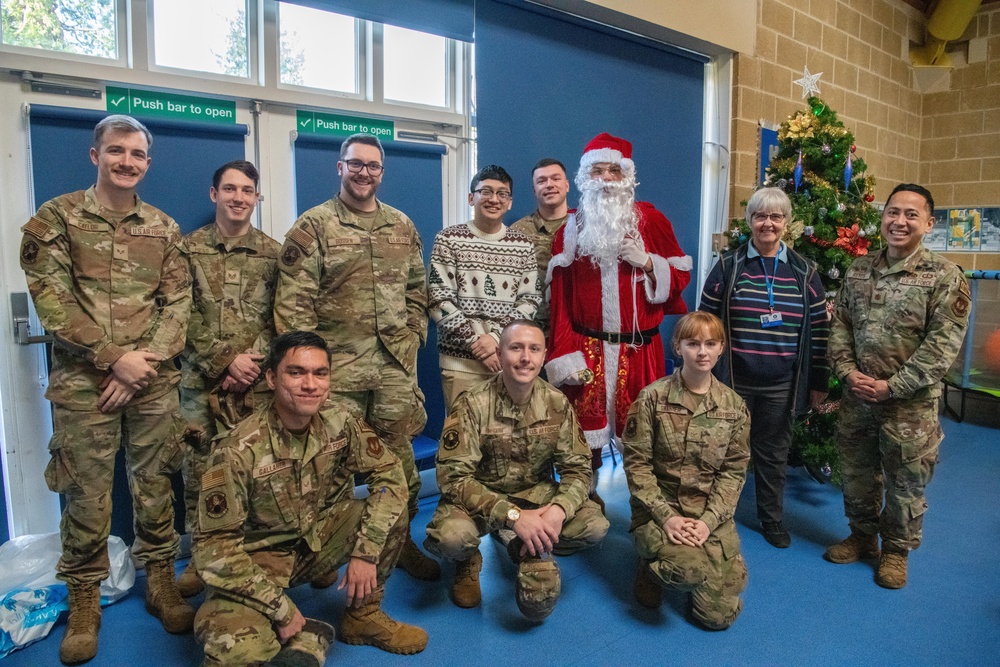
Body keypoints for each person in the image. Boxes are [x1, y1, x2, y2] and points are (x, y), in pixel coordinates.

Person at [18, 114, 194, 664]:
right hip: (83, 384)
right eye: (116, 151)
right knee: (86, 496)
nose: (127, 162)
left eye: (137, 154)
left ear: (147, 162)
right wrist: (115, 360)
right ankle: (85, 600)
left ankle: (161, 582)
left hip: (154, 383)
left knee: (156, 486)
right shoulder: (57, 220)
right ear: (95, 156)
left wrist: (142, 365)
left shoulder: (163, 229)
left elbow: (178, 305)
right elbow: (52, 301)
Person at [192, 331, 428, 665]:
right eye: (296, 372)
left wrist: (366, 551)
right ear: (272, 378)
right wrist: (282, 608)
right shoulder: (237, 451)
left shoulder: (340, 420)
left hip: (315, 542)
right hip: (257, 563)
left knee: (389, 507)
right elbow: (214, 550)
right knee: (237, 653)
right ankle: (309, 639)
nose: (310, 384)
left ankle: (362, 616)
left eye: (320, 373)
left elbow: (389, 476)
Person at [274, 133, 439, 581]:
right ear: (339, 167)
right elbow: (292, 306)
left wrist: (412, 338)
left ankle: (401, 542)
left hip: (391, 368)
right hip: (337, 372)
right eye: (356, 164)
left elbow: (415, 292)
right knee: (331, 462)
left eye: (373, 166)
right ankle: (329, 552)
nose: (364, 172)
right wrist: (309, 370)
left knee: (397, 458)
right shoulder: (314, 226)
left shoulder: (401, 226)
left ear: (382, 172)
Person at [824, 183, 970, 589]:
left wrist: (892, 387)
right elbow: (841, 327)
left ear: (928, 223)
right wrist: (848, 373)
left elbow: (941, 348)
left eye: (910, 214)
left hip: (910, 407)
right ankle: (861, 536)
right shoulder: (859, 270)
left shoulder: (945, 278)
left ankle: (896, 551)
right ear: (882, 216)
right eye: (893, 212)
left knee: (906, 482)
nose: (899, 221)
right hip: (858, 398)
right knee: (856, 472)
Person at [424, 320, 608, 621]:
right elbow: (453, 478)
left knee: (594, 527)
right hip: (482, 497)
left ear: (544, 356)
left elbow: (578, 469)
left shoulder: (556, 403)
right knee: (452, 538)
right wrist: (514, 517)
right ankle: (468, 560)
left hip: (535, 493)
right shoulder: (472, 404)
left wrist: (558, 510)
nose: (525, 357)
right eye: (516, 348)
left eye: (534, 349)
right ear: (500, 353)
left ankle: (526, 544)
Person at [546, 132, 692, 504]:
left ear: (627, 175)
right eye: (598, 170)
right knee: (584, 437)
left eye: (615, 170)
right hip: (587, 347)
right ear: (585, 177)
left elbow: (679, 278)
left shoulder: (652, 221)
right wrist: (563, 352)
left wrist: (647, 262)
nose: (607, 178)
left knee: (643, 434)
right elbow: (560, 302)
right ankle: (582, 500)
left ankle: (648, 504)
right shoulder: (571, 231)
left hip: (640, 350)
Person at [699, 187, 829, 548]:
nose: (767, 223)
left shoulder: (805, 272)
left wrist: (818, 381)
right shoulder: (728, 265)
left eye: (776, 217)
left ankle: (771, 519)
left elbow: (820, 331)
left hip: (781, 385)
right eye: (760, 216)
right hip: (732, 381)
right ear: (750, 221)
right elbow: (704, 324)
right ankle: (714, 519)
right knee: (721, 451)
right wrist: (700, 373)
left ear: (786, 223)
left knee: (772, 454)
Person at [177, 160, 280, 597]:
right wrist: (225, 360)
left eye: (248, 190)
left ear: (257, 197)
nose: (239, 197)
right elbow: (178, 314)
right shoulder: (185, 250)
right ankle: (201, 556)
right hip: (200, 383)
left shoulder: (276, 254)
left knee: (257, 469)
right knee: (200, 470)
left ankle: (255, 552)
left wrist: (251, 362)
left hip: (257, 384)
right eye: (230, 189)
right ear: (213, 194)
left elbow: (285, 316)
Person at [622, 311, 750, 630]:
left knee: (716, 618)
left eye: (710, 343)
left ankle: (705, 560)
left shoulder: (734, 408)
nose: (702, 352)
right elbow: (637, 465)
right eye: (693, 343)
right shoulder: (652, 398)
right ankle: (651, 566)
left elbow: (733, 474)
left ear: (721, 348)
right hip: (659, 509)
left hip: (709, 514)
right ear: (677, 347)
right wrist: (667, 517)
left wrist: (707, 523)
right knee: (687, 572)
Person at [428, 164, 541, 407]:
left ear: (509, 202)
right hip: (461, 367)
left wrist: (495, 339)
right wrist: (477, 345)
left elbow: (530, 300)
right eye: (486, 191)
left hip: (508, 365)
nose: (494, 199)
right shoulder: (448, 239)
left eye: (502, 193)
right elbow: (438, 300)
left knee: (507, 440)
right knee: (462, 440)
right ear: (472, 198)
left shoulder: (523, 245)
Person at [510, 158, 571, 334]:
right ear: (534, 190)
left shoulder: (584, 229)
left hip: (573, 333)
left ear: (566, 185)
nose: (549, 185)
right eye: (542, 181)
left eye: (556, 178)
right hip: (530, 331)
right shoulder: (517, 233)